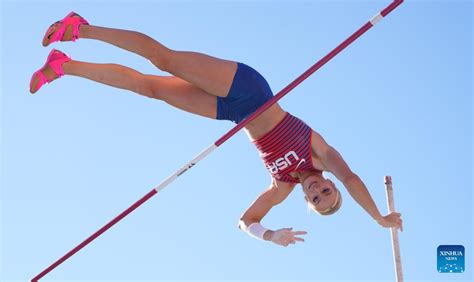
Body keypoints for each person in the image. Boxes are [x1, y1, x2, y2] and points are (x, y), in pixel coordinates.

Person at [30, 12, 403, 248]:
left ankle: (63, 66)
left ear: (308, 203)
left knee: (150, 88)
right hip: (249, 90)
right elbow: (352, 178)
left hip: (230, 112)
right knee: (164, 59)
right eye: (327, 191)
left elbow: (246, 222)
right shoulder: (319, 153)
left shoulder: (281, 188)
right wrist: (377, 218)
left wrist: (270, 235)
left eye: (317, 199)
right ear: (329, 183)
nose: (319, 190)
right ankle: (80, 28)